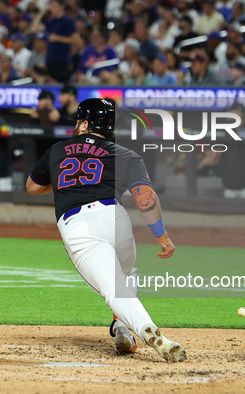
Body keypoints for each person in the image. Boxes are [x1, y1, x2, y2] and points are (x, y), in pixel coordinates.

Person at [26, 98, 185, 363]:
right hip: (115, 217)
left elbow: (32, 187)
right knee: (127, 275)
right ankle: (122, 328)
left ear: (86, 122)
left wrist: (69, 184)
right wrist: (162, 236)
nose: (77, 125)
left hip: (78, 224)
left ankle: (151, 332)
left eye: (79, 120)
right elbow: (145, 197)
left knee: (113, 289)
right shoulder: (125, 154)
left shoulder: (57, 150)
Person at [198, 102, 245, 199]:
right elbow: (214, 153)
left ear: (239, 113)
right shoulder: (223, 132)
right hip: (229, 187)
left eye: (230, 111)